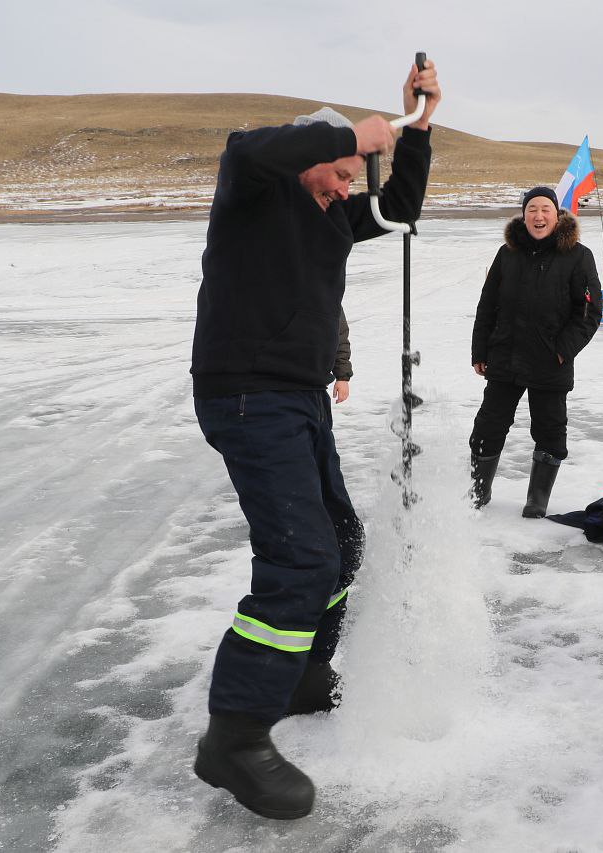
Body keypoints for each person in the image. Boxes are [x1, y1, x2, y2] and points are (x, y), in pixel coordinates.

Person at [189, 60, 441, 819]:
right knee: (299, 558)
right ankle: (233, 733)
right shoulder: (255, 191)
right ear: (307, 159)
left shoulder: (330, 213)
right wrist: (349, 134)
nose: (341, 185)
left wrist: (415, 127)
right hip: (245, 395)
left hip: (297, 399)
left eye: (346, 175)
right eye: (333, 172)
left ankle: (299, 672)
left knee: (339, 541)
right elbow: (244, 149)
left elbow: (398, 209)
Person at [468, 186, 602, 518]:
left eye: (545, 209)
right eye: (531, 209)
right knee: (488, 425)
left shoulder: (578, 256)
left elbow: (588, 312)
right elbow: (488, 306)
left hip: (549, 361)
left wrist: (562, 351)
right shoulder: (507, 253)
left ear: (557, 216)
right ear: (523, 214)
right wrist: (479, 349)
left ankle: (537, 499)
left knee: (550, 429)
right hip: (505, 357)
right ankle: (478, 492)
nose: (538, 216)